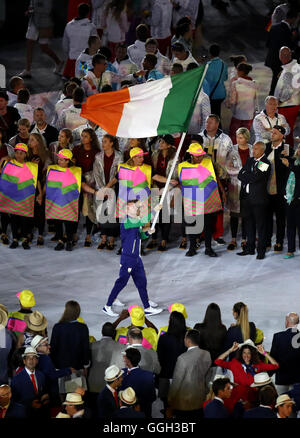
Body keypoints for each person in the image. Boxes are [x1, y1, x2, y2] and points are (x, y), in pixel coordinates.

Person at [102, 200, 162, 317]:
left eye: (135, 206)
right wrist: (154, 211)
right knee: (121, 282)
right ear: (126, 210)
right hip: (128, 259)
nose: (136, 208)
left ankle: (147, 305)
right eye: (133, 207)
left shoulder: (135, 222)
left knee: (142, 282)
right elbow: (143, 220)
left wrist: (148, 233)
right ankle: (107, 305)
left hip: (136, 258)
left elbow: (139, 236)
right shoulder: (127, 221)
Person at [178, 142, 223, 257]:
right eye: (198, 156)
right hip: (190, 199)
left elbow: (214, 178)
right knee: (191, 225)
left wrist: (222, 192)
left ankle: (208, 248)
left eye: (201, 155)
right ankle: (192, 247)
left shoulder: (208, 162)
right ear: (191, 155)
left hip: (206, 198)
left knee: (208, 225)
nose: (200, 158)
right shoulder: (182, 166)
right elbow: (181, 182)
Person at [215, 340, 279, 410]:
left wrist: (264, 353)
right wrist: (230, 350)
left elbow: (275, 365)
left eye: (249, 353)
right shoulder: (235, 363)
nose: (246, 355)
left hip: (254, 399)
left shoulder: (258, 365)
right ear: (241, 354)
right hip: (238, 398)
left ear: (252, 354)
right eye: (244, 353)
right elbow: (218, 361)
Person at [0, 143, 39, 250]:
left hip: (25, 198)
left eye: (21, 153)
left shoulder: (31, 166)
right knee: (14, 219)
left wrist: (39, 195)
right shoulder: (9, 164)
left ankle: (25, 239)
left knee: (25, 219)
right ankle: (15, 239)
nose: (18, 155)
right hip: (12, 197)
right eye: (17, 153)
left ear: (25, 154)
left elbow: (36, 181)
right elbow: (3, 176)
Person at [237, 141, 271, 259]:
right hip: (246, 199)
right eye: (254, 148)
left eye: (256, 149)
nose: (253, 151)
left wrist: (248, 175)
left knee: (261, 226)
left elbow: (256, 178)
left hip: (258, 200)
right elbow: (240, 174)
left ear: (262, 151)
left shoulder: (265, 163)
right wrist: (248, 175)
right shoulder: (250, 160)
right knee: (248, 225)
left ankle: (261, 250)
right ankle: (250, 248)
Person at [167, 329, 211, 418]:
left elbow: (177, 382)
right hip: (201, 398)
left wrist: (170, 401)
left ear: (188, 341)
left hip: (185, 403)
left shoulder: (182, 358)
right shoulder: (207, 354)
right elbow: (208, 376)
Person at [45, 149, 82, 251]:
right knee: (57, 221)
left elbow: (82, 185)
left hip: (69, 202)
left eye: (61, 160)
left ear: (67, 161)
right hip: (56, 201)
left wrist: (94, 192)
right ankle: (61, 240)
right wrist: (41, 194)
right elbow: (47, 184)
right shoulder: (52, 169)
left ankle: (69, 240)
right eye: (58, 159)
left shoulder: (76, 172)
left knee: (69, 221)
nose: (59, 161)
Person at [19, 0, 63, 79]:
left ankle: (58, 62)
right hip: (33, 22)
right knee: (29, 44)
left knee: (44, 47)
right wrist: (30, 11)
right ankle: (27, 70)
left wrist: (34, 10)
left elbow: (47, 10)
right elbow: (32, 7)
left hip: (44, 23)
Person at [93, 134, 122, 250]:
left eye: (105, 142)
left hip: (114, 188)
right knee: (102, 213)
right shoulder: (98, 156)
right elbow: (96, 174)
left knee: (112, 214)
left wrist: (108, 188)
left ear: (111, 143)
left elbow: (119, 175)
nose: (103, 144)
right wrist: (102, 189)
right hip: (101, 188)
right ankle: (103, 238)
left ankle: (112, 238)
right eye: (102, 141)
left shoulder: (119, 156)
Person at [225, 127, 253, 251]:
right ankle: (233, 239)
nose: (238, 139)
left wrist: (249, 175)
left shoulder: (253, 149)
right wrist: (241, 172)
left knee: (247, 214)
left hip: (249, 186)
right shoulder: (232, 150)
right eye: (237, 137)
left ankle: (244, 239)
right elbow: (227, 167)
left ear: (246, 138)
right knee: (234, 214)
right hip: (235, 185)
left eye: (240, 137)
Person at [149, 134, 178, 251]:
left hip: (167, 189)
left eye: (163, 142)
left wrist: (168, 189)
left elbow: (175, 176)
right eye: (160, 141)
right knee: (154, 215)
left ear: (169, 145)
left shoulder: (174, 157)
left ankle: (164, 240)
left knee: (165, 215)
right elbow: (152, 172)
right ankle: (154, 238)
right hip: (156, 188)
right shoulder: (155, 154)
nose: (160, 144)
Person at [265, 125, 291, 252]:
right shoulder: (266, 147)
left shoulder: (287, 149)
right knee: (267, 217)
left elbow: (292, 167)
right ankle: (268, 240)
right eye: (272, 133)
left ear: (282, 135)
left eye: (275, 133)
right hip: (267, 189)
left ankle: (279, 241)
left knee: (280, 217)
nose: (272, 135)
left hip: (281, 190)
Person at [72, 128, 100, 246]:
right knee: (75, 208)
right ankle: (73, 233)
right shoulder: (76, 149)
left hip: (91, 183)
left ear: (91, 138)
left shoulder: (96, 151)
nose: (83, 138)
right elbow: (72, 164)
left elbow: (97, 169)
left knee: (89, 209)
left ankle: (88, 235)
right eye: (82, 136)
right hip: (76, 182)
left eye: (85, 136)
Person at [157, 311, 187, 414]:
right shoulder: (187, 338)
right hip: (182, 375)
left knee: (166, 400)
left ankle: (167, 411)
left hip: (166, 373)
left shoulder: (164, 338)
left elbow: (159, 357)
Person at [50, 301, 90, 375]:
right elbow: (85, 349)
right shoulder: (83, 328)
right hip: (77, 367)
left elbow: (53, 348)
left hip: (60, 367)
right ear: (78, 312)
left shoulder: (57, 327)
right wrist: (86, 366)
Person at [265, 8, 298, 95]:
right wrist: (293, 39)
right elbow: (288, 46)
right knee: (279, 80)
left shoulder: (274, 27)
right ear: (293, 18)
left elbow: (267, 44)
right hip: (281, 61)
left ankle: (273, 97)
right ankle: (274, 98)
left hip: (272, 59)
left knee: (276, 79)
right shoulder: (287, 30)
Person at [11, 346, 49, 418]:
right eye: (28, 358)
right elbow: (13, 402)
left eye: (34, 358)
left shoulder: (41, 375)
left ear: (37, 361)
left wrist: (45, 396)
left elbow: (43, 391)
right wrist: (29, 404)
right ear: (24, 361)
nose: (31, 360)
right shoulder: (16, 379)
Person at [62, 3, 98, 79]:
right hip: (84, 62)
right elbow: (96, 45)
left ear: (78, 12)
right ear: (88, 13)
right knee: (83, 82)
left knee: (69, 85)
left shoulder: (68, 25)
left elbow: (65, 45)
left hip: (70, 63)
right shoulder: (91, 27)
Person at [274, 46, 300, 148]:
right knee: (288, 132)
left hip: (286, 106)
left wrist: (275, 104)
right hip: (294, 104)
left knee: (284, 133)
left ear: (281, 56)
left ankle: (286, 156)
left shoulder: (289, 70)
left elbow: (287, 92)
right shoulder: (297, 67)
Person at [120, 347, 156, 417]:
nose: (123, 359)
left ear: (128, 361)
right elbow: (152, 397)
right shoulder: (148, 375)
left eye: (125, 358)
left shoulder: (121, 373)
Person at [270, 312, 300, 394]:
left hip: (282, 378)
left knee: (281, 402)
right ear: (297, 323)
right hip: (298, 379)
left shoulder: (278, 337)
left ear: (287, 321)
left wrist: (268, 374)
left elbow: (273, 357)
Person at [228, 63, 258, 143]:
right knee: (244, 136)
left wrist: (228, 104)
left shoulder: (235, 84)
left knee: (234, 135)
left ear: (240, 72)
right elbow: (254, 97)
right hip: (249, 115)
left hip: (238, 113)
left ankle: (234, 152)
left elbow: (232, 101)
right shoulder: (254, 84)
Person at [88, 322, 118, 398]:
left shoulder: (91, 345)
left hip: (92, 384)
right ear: (114, 333)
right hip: (111, 386)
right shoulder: (120, 347)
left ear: (102, 332)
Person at [282, 143, 300, 258]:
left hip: (299, 198)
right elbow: (283, 157)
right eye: (299, 147)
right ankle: (290, 250)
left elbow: (298, 172)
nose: (299, 150)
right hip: (290, 198)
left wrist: (289, 164)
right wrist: (283, 154)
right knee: (290, 225)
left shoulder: (293, 165)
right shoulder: (294, 161)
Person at [204, 44, 228, 119]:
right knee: (217, 113)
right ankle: (218, 128)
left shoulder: (208, 65)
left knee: (213, 115)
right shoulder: (223, 64)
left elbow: (205, 81)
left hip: (211, 94)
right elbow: (225, 78)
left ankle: (217, 128)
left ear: (210, 53)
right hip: (221, 93)